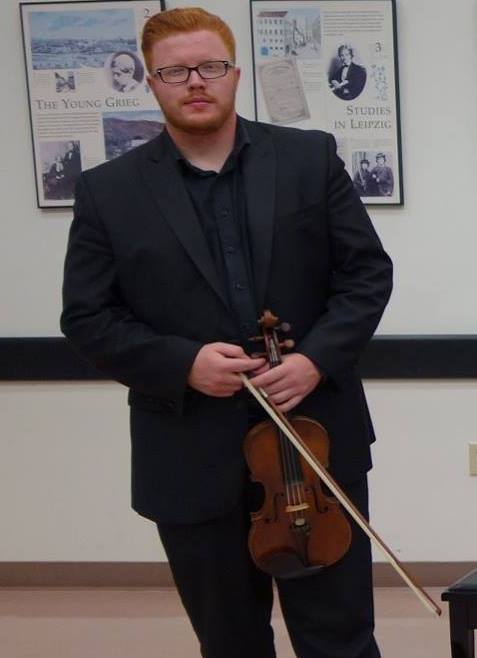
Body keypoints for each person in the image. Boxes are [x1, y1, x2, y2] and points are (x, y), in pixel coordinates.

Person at [61, 7, 392, 658]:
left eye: (210, 66)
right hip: (188, 452)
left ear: (235, 72)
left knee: (341, 641)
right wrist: (182, 364)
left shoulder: (307, 157)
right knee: (230, 643)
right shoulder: (108, 192)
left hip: (314, 440)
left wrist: (314, 360)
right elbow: (87, 316)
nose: (195, 82)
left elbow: (365, 275)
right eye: (175, 70)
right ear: (150, 83)